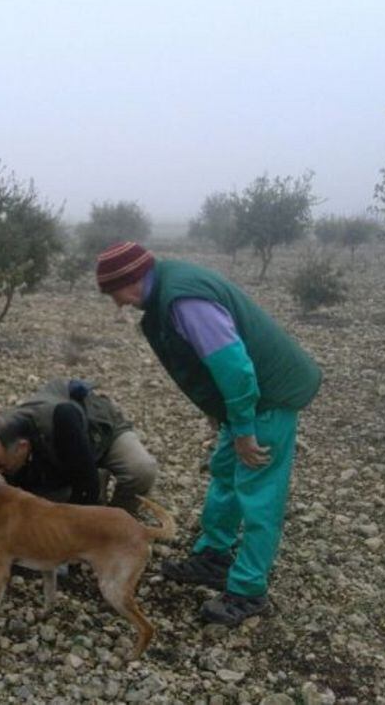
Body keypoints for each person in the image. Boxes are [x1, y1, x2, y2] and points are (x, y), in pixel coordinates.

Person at [95, 241, 321, 627]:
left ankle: (249, 590)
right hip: (246, 402)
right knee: (225, 472)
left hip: (267, 398)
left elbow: (234, 368)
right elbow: (207, 367)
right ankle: (215, 555)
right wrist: (221, 414)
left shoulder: (185, 301)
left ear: (130, 281)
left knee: (259, 491)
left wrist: (245, 427)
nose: (118, 303)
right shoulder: (168, 290)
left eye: (113, 293)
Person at [0, 378, 160, 544]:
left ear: (22, 447)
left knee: (141, 470)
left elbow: (86, 486)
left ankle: (118, 527)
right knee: (38, 517)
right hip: (61, 463)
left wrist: (73, 541)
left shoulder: (61, 420)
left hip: (99, 433)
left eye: (1, 467)